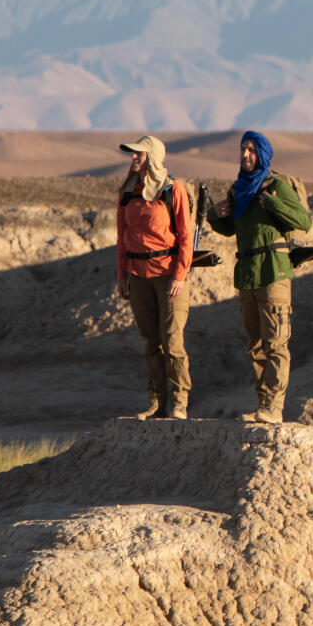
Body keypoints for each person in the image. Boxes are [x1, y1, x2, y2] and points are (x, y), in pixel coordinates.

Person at [207, 129, 311, 425]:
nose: (245, 155)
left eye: (251, 150)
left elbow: (304, 221)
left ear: (262, 154)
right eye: (242, 149)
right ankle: (262, 405)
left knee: (276, 343)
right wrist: (214, 215)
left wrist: (274, 204)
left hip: (274, 272)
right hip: (248, 275)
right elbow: (231, 228)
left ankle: (273, 408)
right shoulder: (238, 189)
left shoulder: (276, 185)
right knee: (255, 344)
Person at [115, 134, 196, 419]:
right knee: (151, 340)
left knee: (172, 340)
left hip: (168, 276)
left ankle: (179, 401)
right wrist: (122, 273)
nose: (133, 158)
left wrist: (180, 275)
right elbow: (122, 237)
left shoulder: (173, 190)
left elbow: (186, 236)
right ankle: (156, 401)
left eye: (139, 154)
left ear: (153, 156)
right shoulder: (127, 192)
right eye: (132, 154)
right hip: (138, 276)